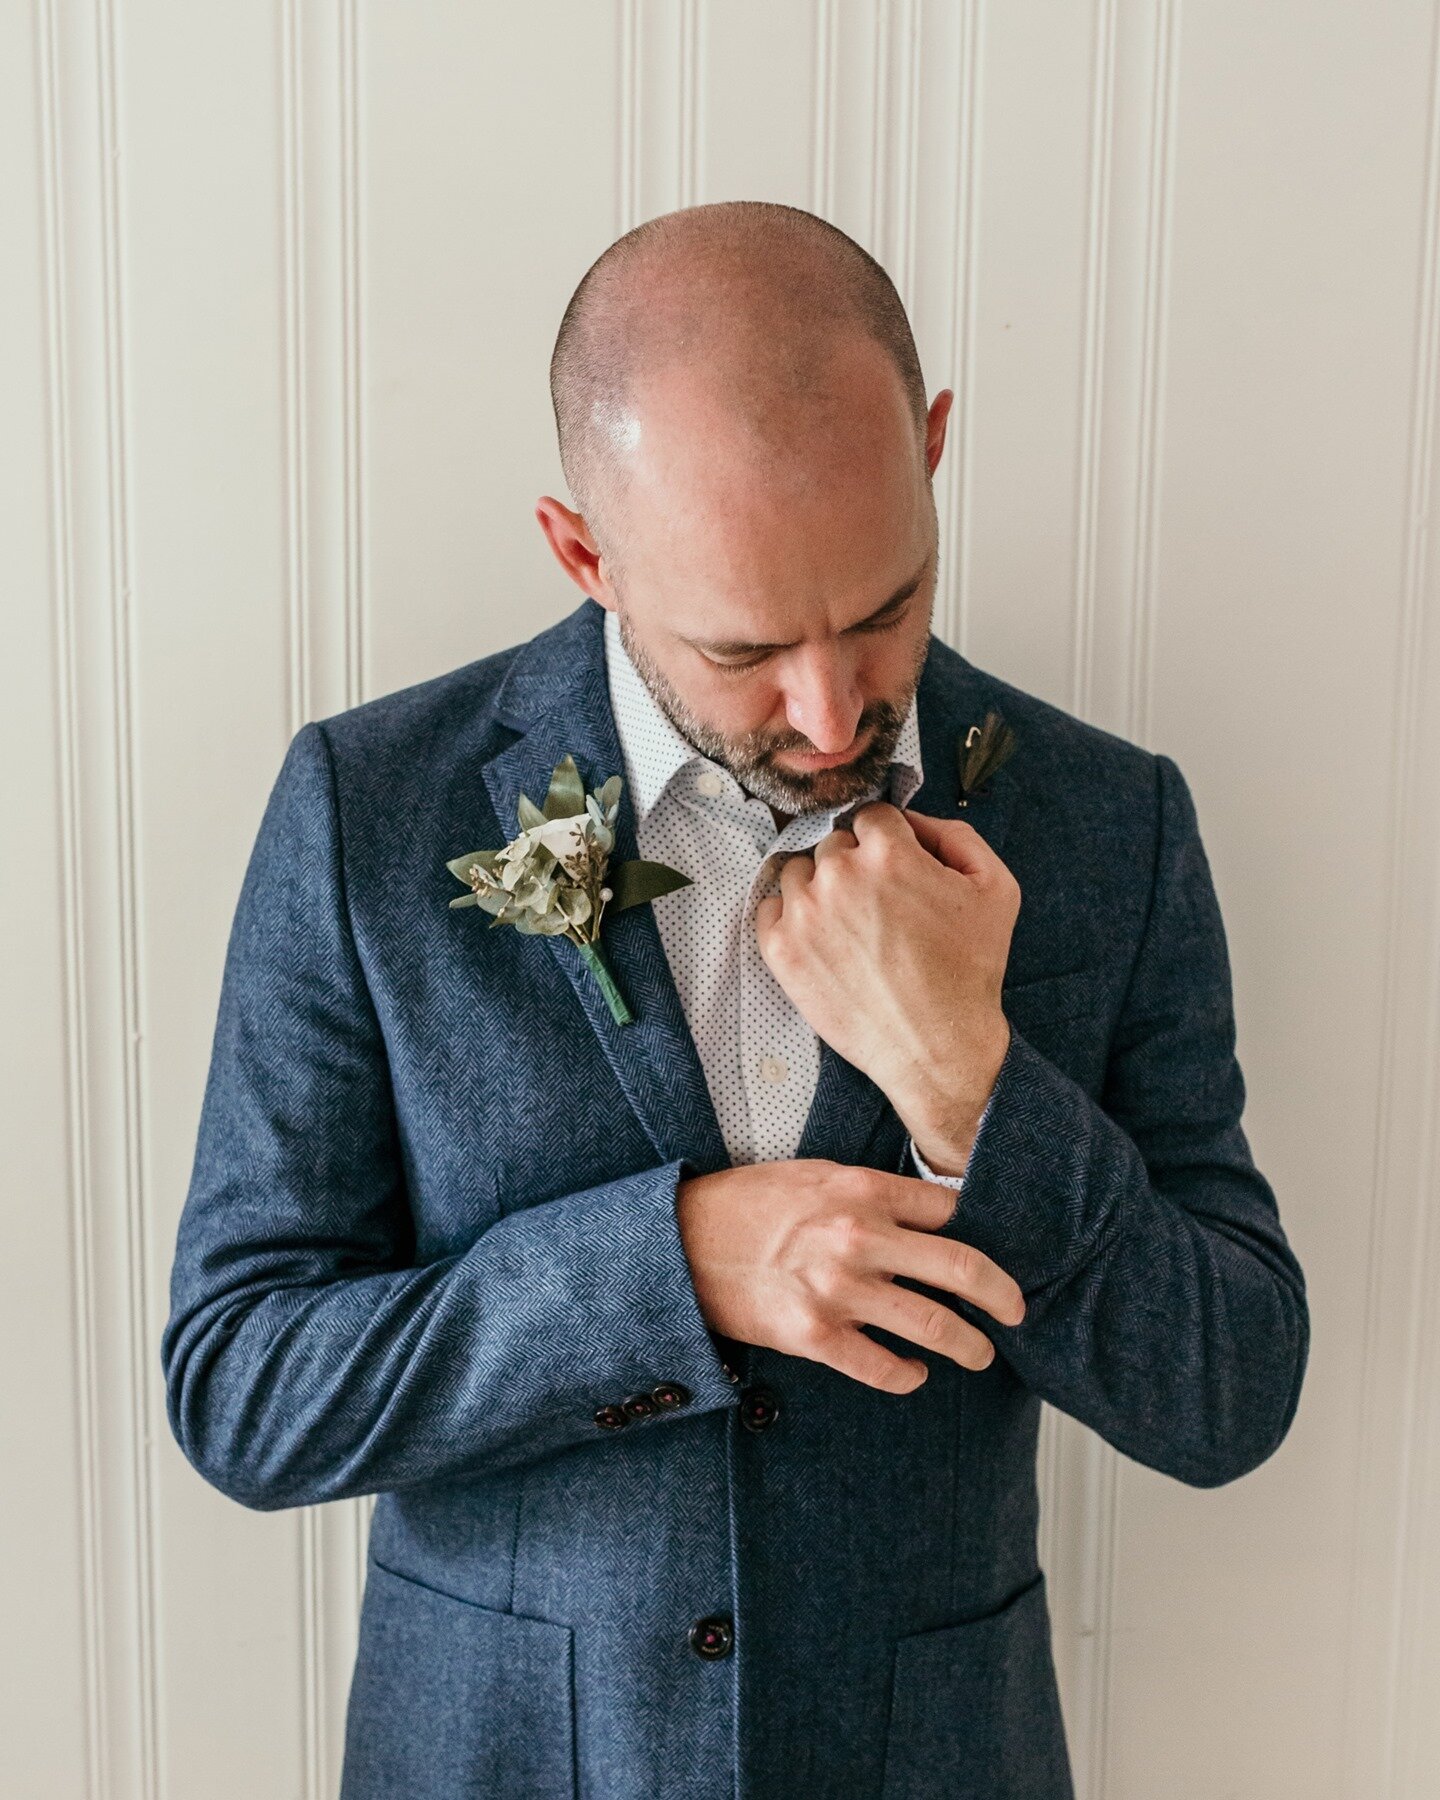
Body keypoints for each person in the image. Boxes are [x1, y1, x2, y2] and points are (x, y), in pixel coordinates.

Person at [161, 200, 1309, 1800]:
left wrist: (972, 1087)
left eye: (887, 606)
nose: (835, 711)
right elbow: (244, 1382)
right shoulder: (374, 806)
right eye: (749, 645)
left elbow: (1230, 1389)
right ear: (585, 553)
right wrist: (670, 1267)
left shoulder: (1115, 824)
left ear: (932, 447)